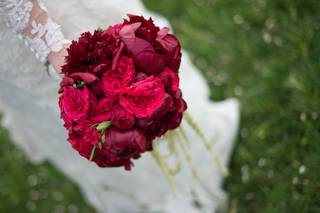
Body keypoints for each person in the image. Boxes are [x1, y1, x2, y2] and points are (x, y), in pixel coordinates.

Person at [0, 0, 239, 212]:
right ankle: (146, 188)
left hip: (51, 18)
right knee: (52, 116)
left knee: (121, 48)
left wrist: (57, 51)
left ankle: (189, 163)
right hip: (10, 58)